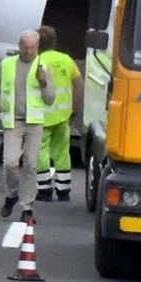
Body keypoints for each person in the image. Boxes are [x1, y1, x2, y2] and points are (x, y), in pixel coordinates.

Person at [0, 30, 55, 219]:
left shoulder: (44, 66)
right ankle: (12, 194)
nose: (29, 51)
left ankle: (27, 207)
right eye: (26, 47)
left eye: (33, 48)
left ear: (38, 47)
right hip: (13, 120)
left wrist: (44, 83)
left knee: (31, 165)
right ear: (19, 46)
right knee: (10, 163)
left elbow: (50, 100)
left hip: (34, 122)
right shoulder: (7, 64)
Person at [35, 25, 84, 203]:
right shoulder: (66, 60)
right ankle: (63, 191)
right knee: (63, 152)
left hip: (41, 116)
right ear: (54, 42)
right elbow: (79, 85)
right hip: (63, 116)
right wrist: (74, 109)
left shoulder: (37, 61)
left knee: (40, 151)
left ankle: (44, 190)